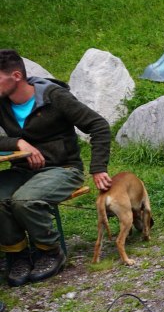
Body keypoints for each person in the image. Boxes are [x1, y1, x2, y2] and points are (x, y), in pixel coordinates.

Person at [0, 50, 112, 287]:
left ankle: (50, 251)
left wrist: (98, 168)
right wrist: (16, 143)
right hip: (22, 170)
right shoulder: (2, 102)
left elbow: (98, 125)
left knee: (24, 201)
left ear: (16, 76)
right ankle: (17, 255)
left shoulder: (53, 97)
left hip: (63, 169)